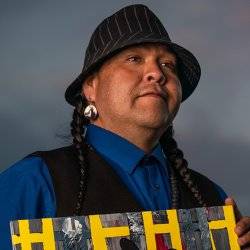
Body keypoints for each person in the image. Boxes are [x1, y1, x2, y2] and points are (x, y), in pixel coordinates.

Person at [0, 4, 249, 249]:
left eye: (167, 65)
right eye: (134, 59)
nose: (156, 73)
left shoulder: (212, 199)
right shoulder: (35, 182)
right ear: (91, 87)